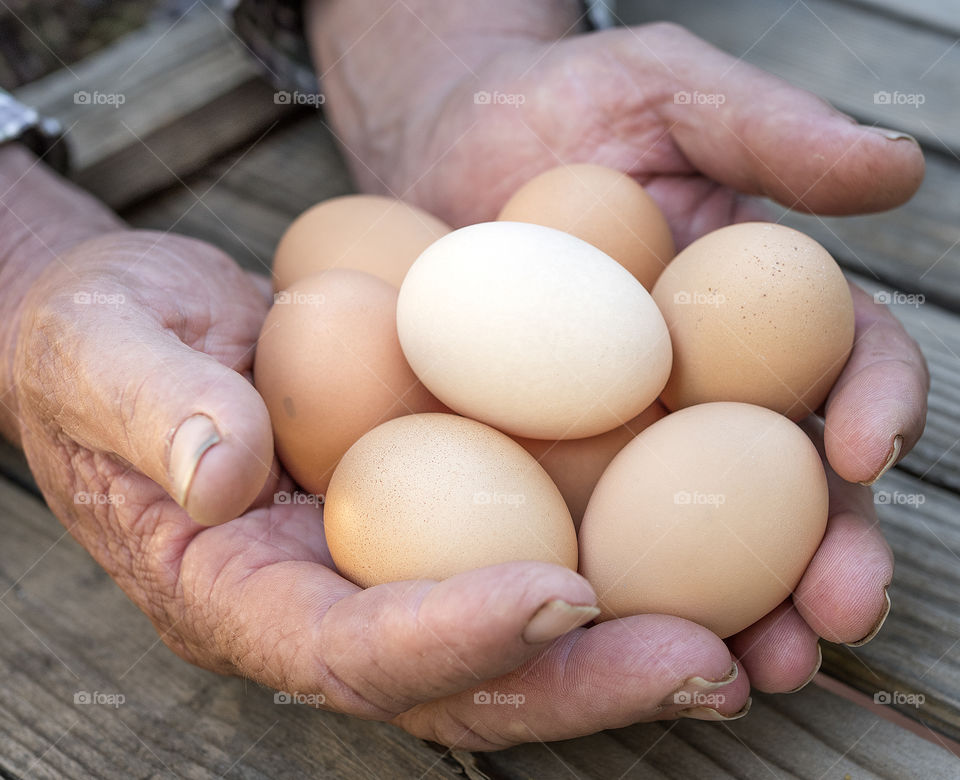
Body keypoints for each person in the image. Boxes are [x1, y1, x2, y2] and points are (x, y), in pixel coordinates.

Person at [0, 0, 928, 751]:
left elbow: (593, 328)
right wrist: (21, 271)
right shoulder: (438, 329)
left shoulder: (604, 357)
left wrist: (441, 54)